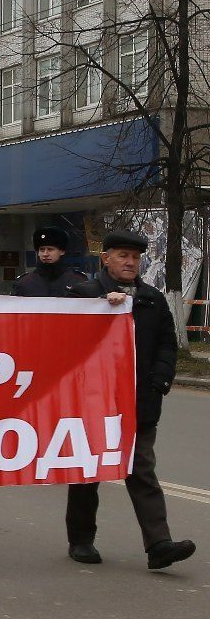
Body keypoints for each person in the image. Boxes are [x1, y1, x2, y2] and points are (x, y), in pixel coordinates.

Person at [65, 230, 195, 569]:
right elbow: (64, 344)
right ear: (105, 258)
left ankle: (159, 545)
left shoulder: (151, 299)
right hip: (93, 400)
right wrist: (99, 309)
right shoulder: (84, 295)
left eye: (135, 257)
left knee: (142, 471)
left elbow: (167, 342)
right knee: (87, 471)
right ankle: (81, 540)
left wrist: (160, 382)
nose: (130, 262)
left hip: (139, 401)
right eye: (123, 256)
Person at [11, 227, 86, 297]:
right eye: (42, 250)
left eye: (50, 250)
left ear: (62, 251)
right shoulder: (24, 283)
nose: (45, 254)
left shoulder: (78, 281)